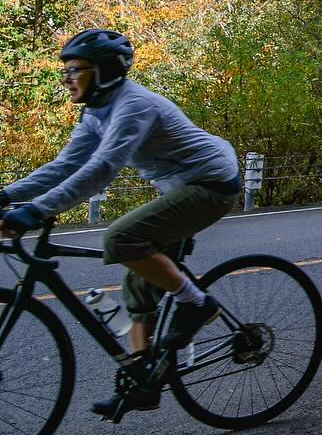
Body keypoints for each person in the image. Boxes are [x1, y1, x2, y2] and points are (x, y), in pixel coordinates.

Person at [0, 29, 241, 417]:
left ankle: (197, 303)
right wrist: (9, 195)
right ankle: (142, 377)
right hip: (178, 187)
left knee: (121, 240)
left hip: (211, 183)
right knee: (138, 278)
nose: (67, 78)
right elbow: (67, 165)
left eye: (75, 69)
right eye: (66, 70)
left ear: (105, 71)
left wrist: (35, 211)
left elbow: (101, 169)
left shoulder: (133, 106)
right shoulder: (96, 110)